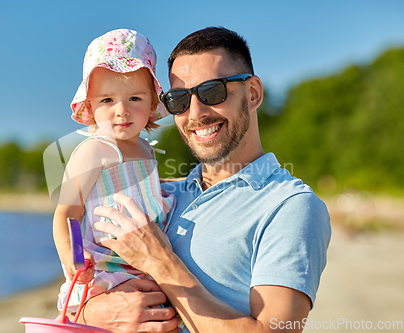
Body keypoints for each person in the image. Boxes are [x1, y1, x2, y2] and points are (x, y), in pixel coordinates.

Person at [80, 27, 332, 333]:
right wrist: (91, 313)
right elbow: (84, 285)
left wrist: (160, 261)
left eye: (213, 91)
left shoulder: (290, 207)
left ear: (253, 93)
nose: (196, 113)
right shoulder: (160, 194)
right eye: (179, 99)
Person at [52, 28, 174, 313]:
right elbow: (67, 212)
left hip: (150, 261)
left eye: (134, 98)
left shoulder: (147, 148)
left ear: (152, 102)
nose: (122, 111)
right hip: (109, 267)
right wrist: (73, 256)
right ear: (90, 105)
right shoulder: (94, 150)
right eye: (107, 100)